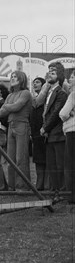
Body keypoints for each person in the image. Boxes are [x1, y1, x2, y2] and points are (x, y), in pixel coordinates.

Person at [0, 71, 32, 190]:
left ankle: (22, 186)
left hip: (22, 125)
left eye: (15, 77)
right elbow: (1, 113)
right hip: (10, 125)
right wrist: (10, 107)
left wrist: (7, 106)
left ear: (21, 79)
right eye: (11, 76)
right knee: (10, 159)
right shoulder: (10, 95)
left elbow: (16, 107)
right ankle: (12, 186)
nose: (12, 79)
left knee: (21, 157)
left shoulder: (26, 93)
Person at [40, 63, 68, 192]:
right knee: (51, 165)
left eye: (53, 72)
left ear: (59, 76)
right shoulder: (48, 92)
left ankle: (62, 191)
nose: (49, 73)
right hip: (50, 134)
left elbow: (56, 113)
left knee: (60, 164)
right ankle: (55, 191)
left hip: (57, 134)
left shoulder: (61, 93)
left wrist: (45, 128)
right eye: (49, 71)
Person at [59, 71, 75, 203]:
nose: (70, 79)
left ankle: (72, 195)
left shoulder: (73, 95)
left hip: (72, 130)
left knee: (70, 163)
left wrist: (69, 114)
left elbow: (63, 114)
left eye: (72, 77)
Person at [30, 77, 47, 190]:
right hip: (35, 133)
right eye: (33, 82)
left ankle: (43, 185)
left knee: (43, 159)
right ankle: (39, 184)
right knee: (37, 159)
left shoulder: (44, 99)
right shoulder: (33, 99)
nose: (35, 84)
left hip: (43, 131)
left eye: (37, 82)